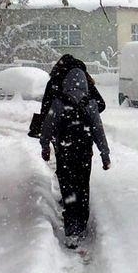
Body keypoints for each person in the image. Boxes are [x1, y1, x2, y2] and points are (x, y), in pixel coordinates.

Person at [40, 65, 111, 248]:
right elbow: (98, 131)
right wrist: (105, 154)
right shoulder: (90, 103)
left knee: (68, 188)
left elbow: (47, 127)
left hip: (64, 153)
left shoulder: (58, 102)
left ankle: (72, 229)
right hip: (84, 153)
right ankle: (82, 223)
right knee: (82, 187)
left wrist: (45, 146)